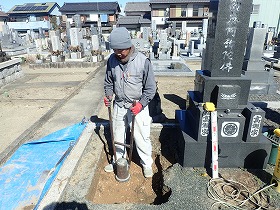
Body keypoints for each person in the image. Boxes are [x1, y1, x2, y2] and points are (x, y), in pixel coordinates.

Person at [103, 27, 156, 178]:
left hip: (137, 106)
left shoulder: (142, 61)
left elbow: (151, 88)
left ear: (129, 45)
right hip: (119, 104)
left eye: (121, 49)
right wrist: (108, 95)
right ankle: (119, 160)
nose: (118, 53)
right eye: (115, 49)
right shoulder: (112, 61)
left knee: (141, 137)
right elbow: (108, 82)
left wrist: (141, 104)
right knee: (118, 136)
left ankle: (146, 164)